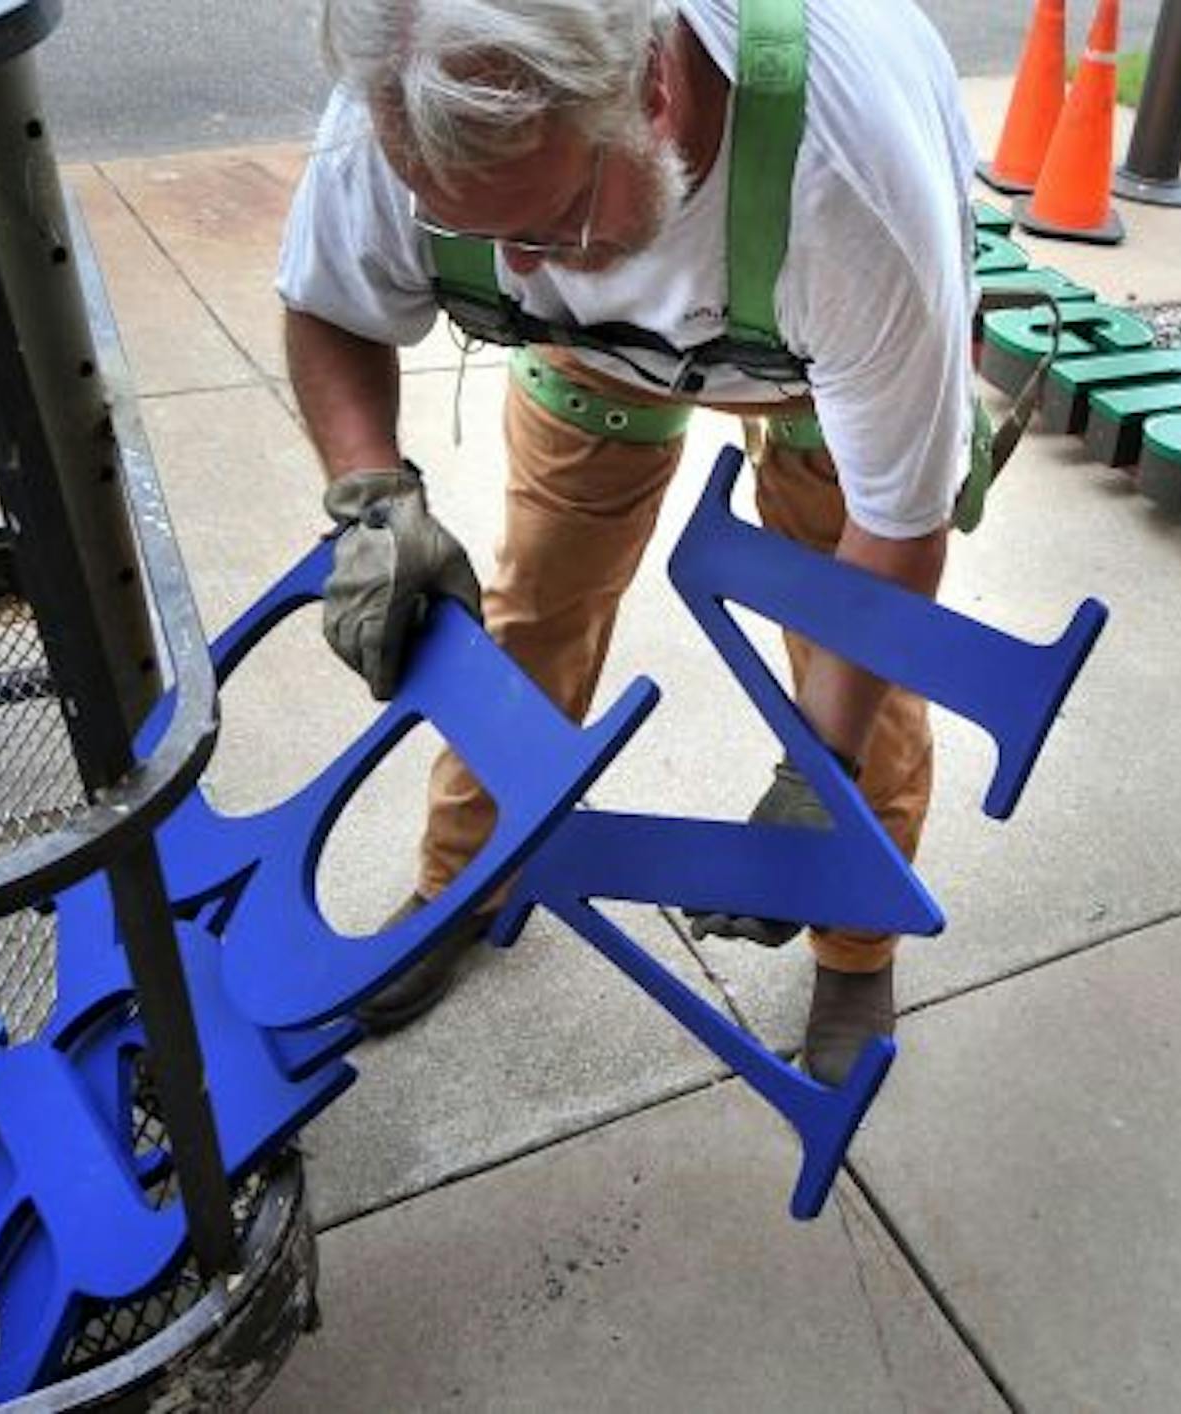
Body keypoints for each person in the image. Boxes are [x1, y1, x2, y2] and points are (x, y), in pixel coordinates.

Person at [275, 0, 978, 1084]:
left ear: (650, 91)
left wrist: (814, 774)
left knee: (853, 688)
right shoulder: (415, 101)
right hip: (589, 363)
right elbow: (330, 307)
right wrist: (372, 499)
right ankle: (468, 883)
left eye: (545, 223)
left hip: (810, 362)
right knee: (529, 624)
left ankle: (853, 937)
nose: (512, 260)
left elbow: (894, 534)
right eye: (474, 231)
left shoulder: (854, 185)